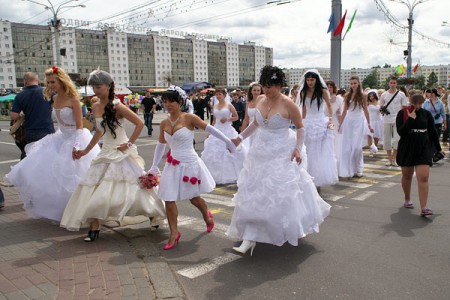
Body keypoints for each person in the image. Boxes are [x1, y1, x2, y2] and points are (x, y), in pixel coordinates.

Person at [226, 66, 331, 255]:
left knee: (280, 193)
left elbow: (300, 128)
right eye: (265, 86)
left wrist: (298, 149)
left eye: (271, 86)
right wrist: (239, 138)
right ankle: (250, 236)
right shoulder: (259, 99)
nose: (267, 90)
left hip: (282, 151)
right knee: (254, 191)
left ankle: (280, 228)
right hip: (260, 150)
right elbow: (256, 123)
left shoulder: (288, 103)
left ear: (279, 85)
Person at [60, 70, 165, 241]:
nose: (95, 89)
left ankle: (153, 215)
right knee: (96, 188)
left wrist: (129, 144)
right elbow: (99, 132)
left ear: (108, 86)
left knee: (135, 190)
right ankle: (95, 225)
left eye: (99, 86)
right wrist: (85, 151)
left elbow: (139, 123)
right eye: (93, 86)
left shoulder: (118, 106)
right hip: (105, 152)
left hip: (121, 152)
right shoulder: (94, 106)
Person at [5, 66, 100, 221]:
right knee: (52, 174)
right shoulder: (54, 98)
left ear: (62, 81)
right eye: (48, 82)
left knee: (76, 175)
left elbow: (80, 126)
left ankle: (81, 210)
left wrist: (76, 146)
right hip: (59, 137)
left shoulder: (73, 99)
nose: (50, 85)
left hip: (76, 138)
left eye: (53, 82)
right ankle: (65, 210)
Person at [149, 85, 236, 250]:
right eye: (165, 101)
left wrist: (229, 142)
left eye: (172, 101)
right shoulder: (163, 123)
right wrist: (153, 166)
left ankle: (207, 216)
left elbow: (211, 129)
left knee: (194, 198)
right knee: (168, 198)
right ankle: (174, 233)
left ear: (180, 102)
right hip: (172, 164)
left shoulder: (189, 118)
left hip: (189, 164)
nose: (168, 104)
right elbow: (160, 145)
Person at [396, 93, 445, 217]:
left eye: (419, 103)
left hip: (423, 146)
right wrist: (410, 119)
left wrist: (438, 149)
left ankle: (424, 207)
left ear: (422, 102)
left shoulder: (426, 114)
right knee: (407, 176)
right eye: (415, 103)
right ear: (410, 102)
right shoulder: (403, 113)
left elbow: (433, 132)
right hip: (407, 146)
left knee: (423, 177)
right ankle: (407, 199)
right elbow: (401, 131)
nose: (417, 106)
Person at [297, 69, 338, 188]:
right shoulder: (303, 92)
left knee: (320, 151)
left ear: (316, 80)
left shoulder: (323, 91)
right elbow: (303, 109)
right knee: (308, 150)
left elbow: (329, 106)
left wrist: (330, 119)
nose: (310, 82)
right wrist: (301, 122)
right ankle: (307, 176)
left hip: (321, 122)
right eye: (308, 80)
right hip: (308, 121)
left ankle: (318, 178)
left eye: (312, 79)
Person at [201, 88, 247, 184]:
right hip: (217, 129)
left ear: (224, 95)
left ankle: (231, 173)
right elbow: (213, 120)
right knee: (213, 150)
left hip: (227, 129)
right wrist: (210, 132)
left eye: (220, 94)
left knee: (230, 150)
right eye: (216, 94)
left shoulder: (229, 105)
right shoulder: (215, 106)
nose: (218, 96)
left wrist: (228, 119)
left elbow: (236, 117)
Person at [10, 72, 55, 159]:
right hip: (48, 130)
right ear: (37, 80)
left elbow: (14, 116)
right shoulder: (47, 92)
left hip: (30, 131)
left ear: (24, 81)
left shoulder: (20, 96)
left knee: (32, 158)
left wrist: (22, 114)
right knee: (47, 158)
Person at [338, 76, 375, 178]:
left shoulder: (363, 95)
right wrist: (340, 124)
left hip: (359, 121)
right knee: (348, 147)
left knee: (357, 148)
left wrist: (369, 123)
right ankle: (351, 169)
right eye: (351, 83)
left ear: (358, 83)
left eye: (355, 83)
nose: (353, 85)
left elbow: (366, 110)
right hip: (349, 122)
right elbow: (344, 111)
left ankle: (358, 168)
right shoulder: (347, 95)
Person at [379, 77, 408, 166]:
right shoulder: (384, 94)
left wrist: (404, 120)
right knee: (387, 140)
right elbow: (381, 107)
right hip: (387, 119)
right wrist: (383, 111)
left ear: (396, 84)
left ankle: (394, 158)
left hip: (397, 119)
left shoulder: (401, 94)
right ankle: (389, 159)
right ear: (389, 83)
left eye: (394, 83)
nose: (392, 84)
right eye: (391, 83)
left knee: (397, 139)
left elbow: (404, 107)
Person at [422, 88, 446, 161]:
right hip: (428, 124)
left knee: (436, 139)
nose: (429, 94)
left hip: (437, 123)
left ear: (434, 94)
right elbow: (422, 112)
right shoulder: (426, 102)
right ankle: (431, 155)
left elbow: (443, 114)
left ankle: (433, 154)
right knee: (429, 140)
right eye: (428, 93)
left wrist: (445, 123)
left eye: (430, 93)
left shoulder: (440, 102)